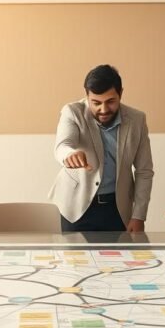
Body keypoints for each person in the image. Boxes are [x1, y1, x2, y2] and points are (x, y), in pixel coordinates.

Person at [50, 64, 154, 232]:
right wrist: (70, 155)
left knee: (120, 258)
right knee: (75, 258)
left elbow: (144, 171)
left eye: (111, 102)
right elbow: (63, 145)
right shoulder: (72, 112)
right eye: (96, 103)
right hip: (76, 207)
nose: (103, 109)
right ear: (87, 96)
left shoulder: (137, 120)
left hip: (118, 209)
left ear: (121, 93)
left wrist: (138, 215)